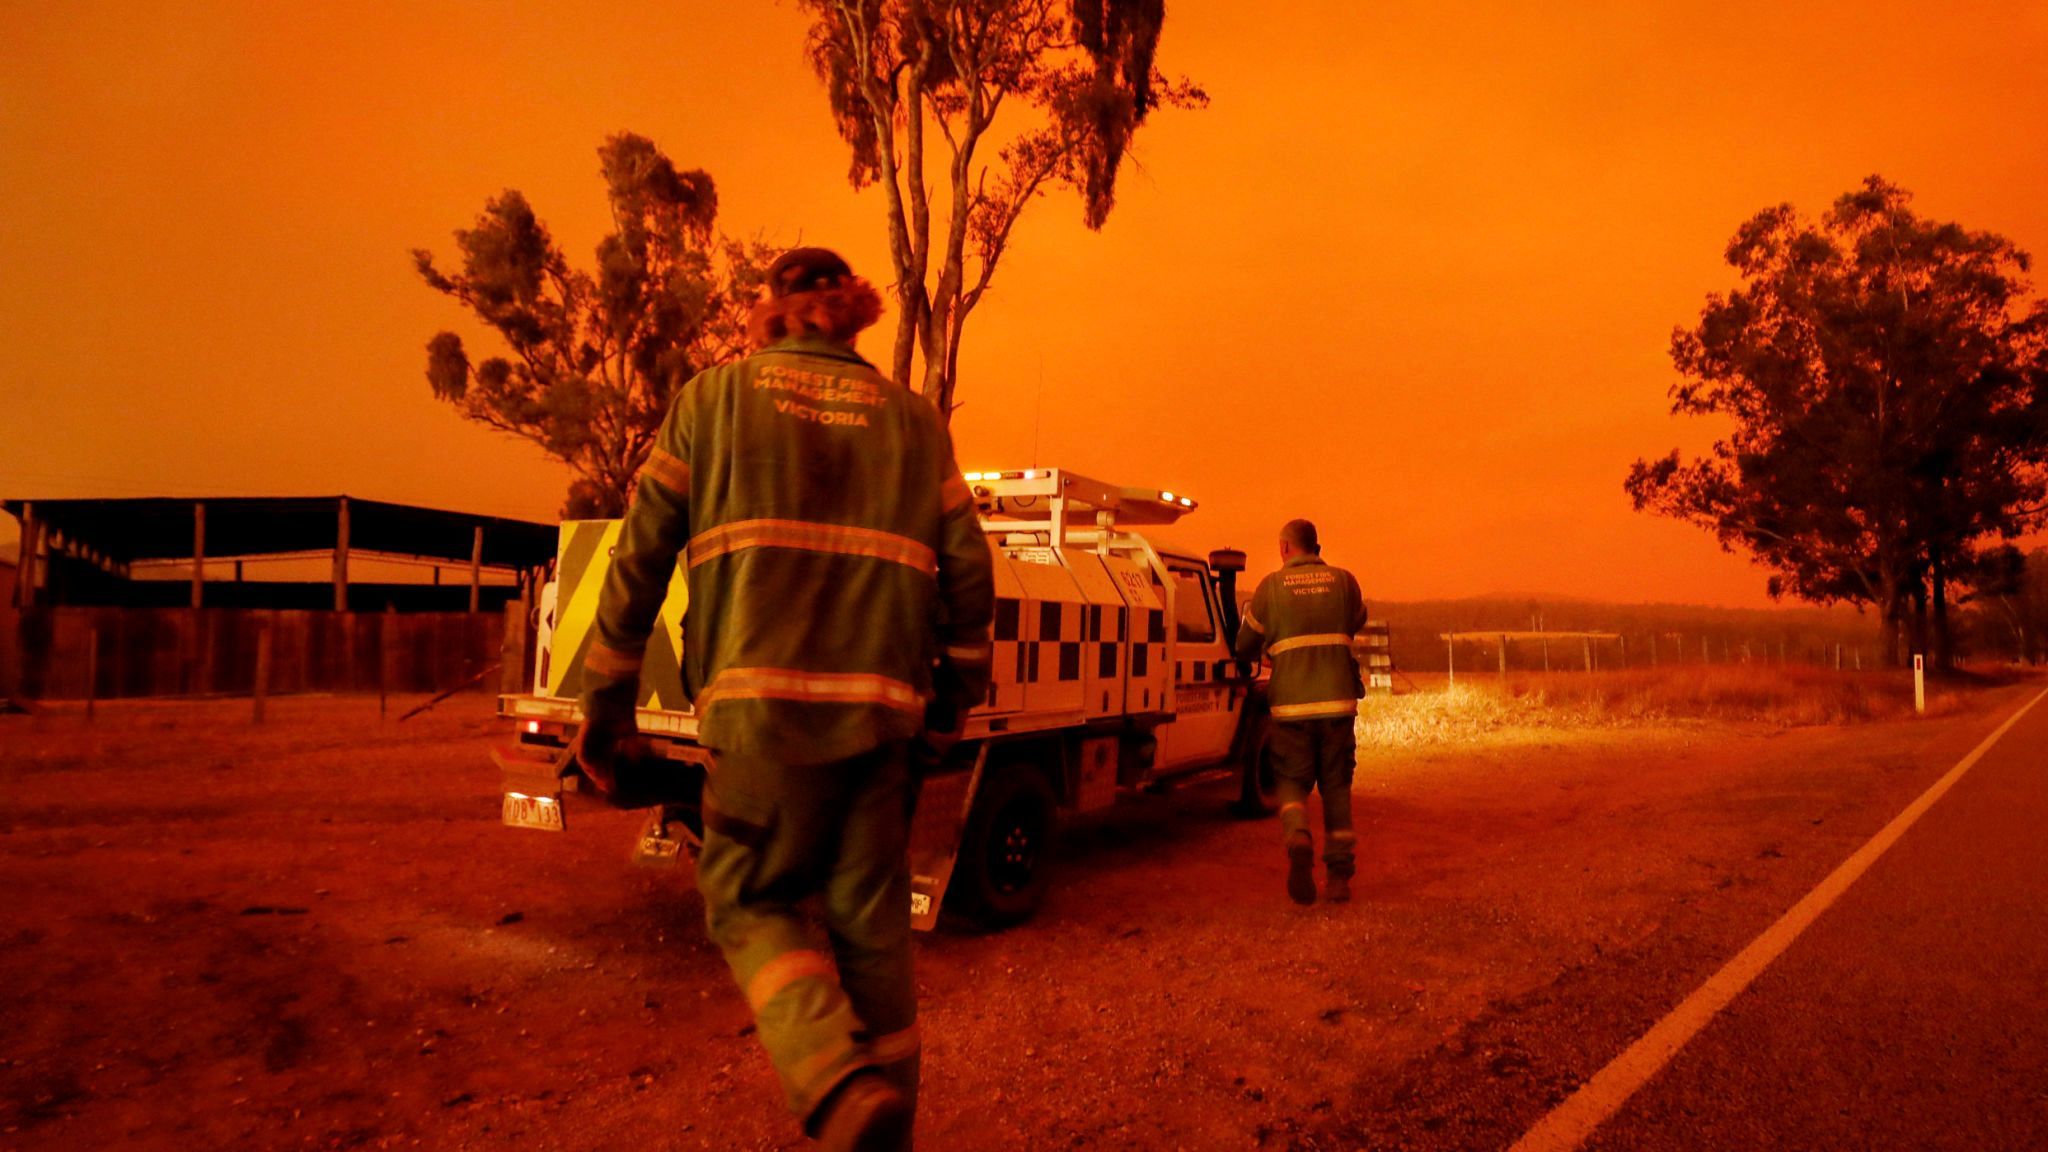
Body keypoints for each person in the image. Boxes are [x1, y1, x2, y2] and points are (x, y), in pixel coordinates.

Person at [573, 247, 995, 1151]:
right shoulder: (916, 424)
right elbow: (969, 571)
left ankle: (833, 1082)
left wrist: (605, 702)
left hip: (761, 722)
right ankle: (889, 1124)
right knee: (873, 934)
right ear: (852, 313)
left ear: (769, 311)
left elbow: (640, 556)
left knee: (745, 896)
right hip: (883, 721)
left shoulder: (712, 402)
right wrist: (952, 703)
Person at [1232, 518, 1368, 905]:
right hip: (1338, 705)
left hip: (1291, 708)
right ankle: (1339, 878)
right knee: (1337, 788)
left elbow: (1245, 644)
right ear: (1317, 548)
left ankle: (1297, 837)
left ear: (1284, 549)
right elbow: (1357, 621)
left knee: (1290, 782)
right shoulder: (1344, 582)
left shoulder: (1270, 588)